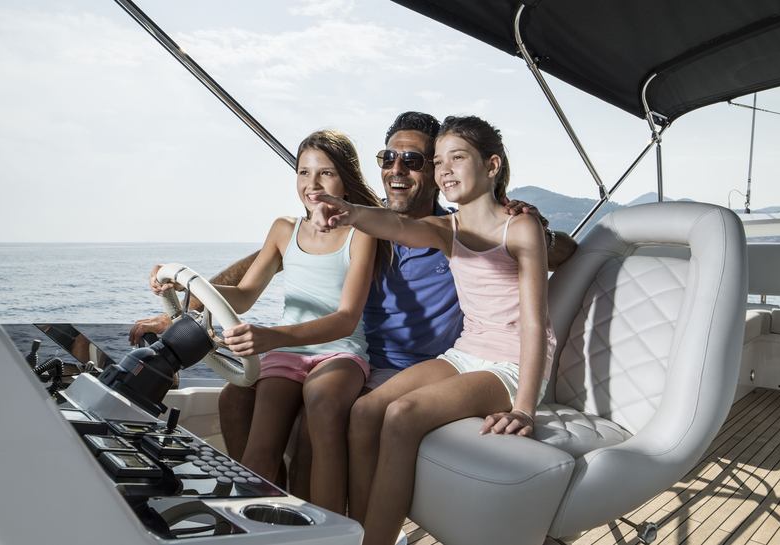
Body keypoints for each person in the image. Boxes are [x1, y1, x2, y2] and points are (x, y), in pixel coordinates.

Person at [128, 111, 576, 503]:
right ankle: (274, 512)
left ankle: (324, 526)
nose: (398, 170)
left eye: (415, 161)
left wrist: (524, 220)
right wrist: (183, 310)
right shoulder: (363, 220)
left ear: (436, 170)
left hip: (407, 367)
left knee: (311, 421)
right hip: (347, 356)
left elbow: (557, 253)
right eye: (388, 159)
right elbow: (267, 266)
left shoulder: (455, 230)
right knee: (234, 399)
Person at [312, 115, 555, 545]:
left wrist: (524, 409)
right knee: (367, 411)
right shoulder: (449, 229)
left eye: (457, 158)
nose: (444, 170)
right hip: (465, 353)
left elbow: (535, 324)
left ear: (492, 166)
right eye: (439, 161)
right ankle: (359, 533)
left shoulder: (521, 226)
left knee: (402, 415)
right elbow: (399, 226)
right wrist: (350, 212)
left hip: (510, 363)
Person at [149, 129, 387, 515]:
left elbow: (346, 320)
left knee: (324, 404)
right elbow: (244, 294)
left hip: (339, 352)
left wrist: (269, 336)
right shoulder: (283, 229)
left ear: (345, 177)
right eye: (303, 172)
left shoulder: (360, 234)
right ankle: (261, 525)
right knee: (261, 444)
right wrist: (185, 284)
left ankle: (329, 533)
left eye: (325, 173)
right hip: (287, 354)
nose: (312, 184)